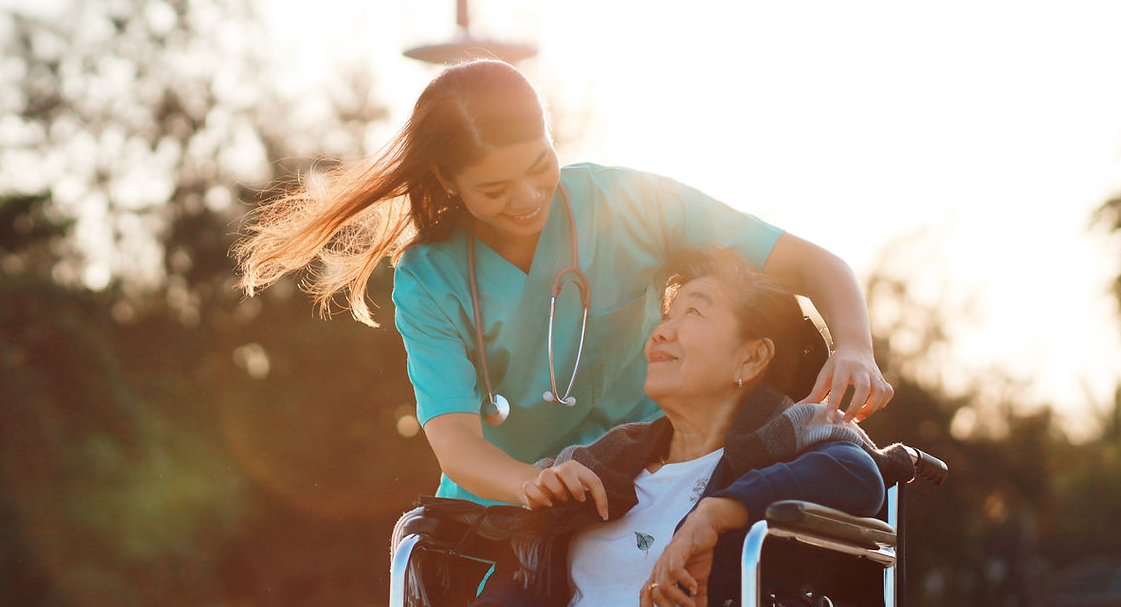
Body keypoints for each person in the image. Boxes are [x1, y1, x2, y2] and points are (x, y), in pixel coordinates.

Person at [235, 59, 893, 505]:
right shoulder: (428, 278)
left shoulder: (629, 201)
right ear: (448, 185)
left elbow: (813, 264)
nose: (526, 198)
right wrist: (532, 485)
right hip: (510, 501)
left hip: (654, 477)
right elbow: (457, 441)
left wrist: (854, 344)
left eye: (539, 165)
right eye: (493, 188)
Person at [392, 248, 906, 607]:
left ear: (751, 357)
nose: (663, 329)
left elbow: (858, 473)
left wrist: (721, 511)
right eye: (668, 314)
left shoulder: (792, 438)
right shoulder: (604, 461)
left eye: (694, 313)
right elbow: (533, 574)